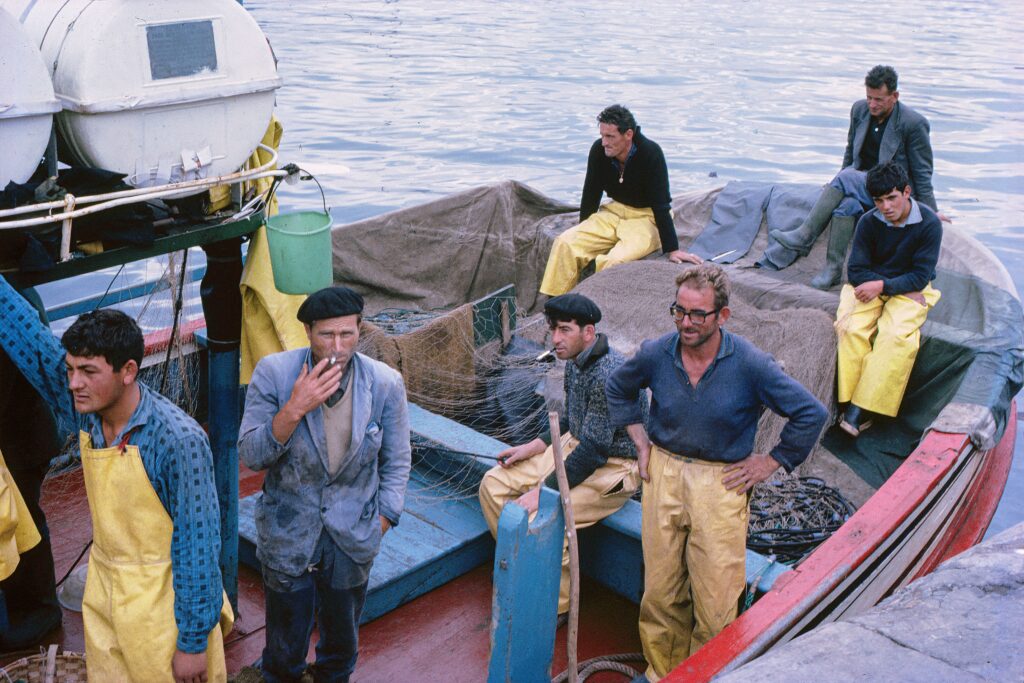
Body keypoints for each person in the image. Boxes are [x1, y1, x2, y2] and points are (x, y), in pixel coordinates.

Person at [0, 276, 232, 683]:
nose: (74, 383)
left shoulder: (178, 440)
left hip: (165, 608)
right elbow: (29, 340)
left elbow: (198, 548)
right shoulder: (88, 409)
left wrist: (193, 643)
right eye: (71, 369)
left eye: (88, 371)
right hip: (105, 595)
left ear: (128, 371)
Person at [606, 263, 827, 682]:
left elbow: (809, 413)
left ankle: (703, 674)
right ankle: (662, 671)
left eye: (697, 314)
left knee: (716, 598)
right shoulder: (657, 352)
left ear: (722, 315)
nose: (685, 323)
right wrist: (640, 441)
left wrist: (770, 462)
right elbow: (619, 386)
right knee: (660, 590)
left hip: (721, 482)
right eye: (679, 311)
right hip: (663, 473)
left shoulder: (750, 363)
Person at [239, 285, 411, 683]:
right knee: (284, 648)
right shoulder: (274, 374)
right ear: (307, 331)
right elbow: (251, 455)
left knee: (341, 648)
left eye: (347, 334)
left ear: (360, 329)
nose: (337, 346)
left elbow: (398, 460)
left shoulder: (385, 383)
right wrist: (295, 407)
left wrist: (383, 520)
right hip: (288, 533)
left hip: (352, 539)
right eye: (326, 334)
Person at [478, 293, 648, 619]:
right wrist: (531, 447)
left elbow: (595, 451)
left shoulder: (609, 375)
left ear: (588, 332)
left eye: (565, 330)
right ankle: (524, 566)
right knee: (493, 485)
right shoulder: (575, 361)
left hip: (613, 467)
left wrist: (543, 491)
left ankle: (556, 607)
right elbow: (571, 420)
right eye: (553, 329)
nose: (555, 338)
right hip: (575, 446)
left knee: (546, 517)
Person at [775, 65, 942, 289]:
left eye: (878, 99)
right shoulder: (859, 110)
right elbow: (850, 153)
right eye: (869, 97)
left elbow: (923, 172)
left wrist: (930, 211)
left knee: (846, 177)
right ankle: (833, 270)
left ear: (895, 96)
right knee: (846, 206)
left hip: (888, 190)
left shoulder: (913, 123)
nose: (872, 104)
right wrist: (837, 185)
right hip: (861, 187)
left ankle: (804, 236)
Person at [539, 105, 701, 297]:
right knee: (565, 243)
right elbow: (591, 193)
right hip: (614, 211)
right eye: (602, 135)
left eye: (610, 136)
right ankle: (556, 304)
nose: (604, 142)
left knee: (613, 260)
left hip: (646, 217)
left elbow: (661, 205)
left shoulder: (651, 153)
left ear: (628, 134)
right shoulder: (599, 151)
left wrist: (672, 249)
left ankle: (595, 306)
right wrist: (584, 227)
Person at [834, 161, 942, 437]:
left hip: (902, 286)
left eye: (892, 198)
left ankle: (860, 410)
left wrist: (884, 285)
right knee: (850, 328)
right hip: (878, 284)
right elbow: (855, 271)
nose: (886, 207)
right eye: (878, 200)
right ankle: (847, 400)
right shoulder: (869, 222)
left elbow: (920, 276)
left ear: (906, 192)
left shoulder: (929, 223)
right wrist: (891, 287)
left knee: (895, 336)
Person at [0, 342, 63, 650]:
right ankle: (19, 606)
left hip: (23, 441)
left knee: (27, 521)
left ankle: (44, 611)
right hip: (13, 438)